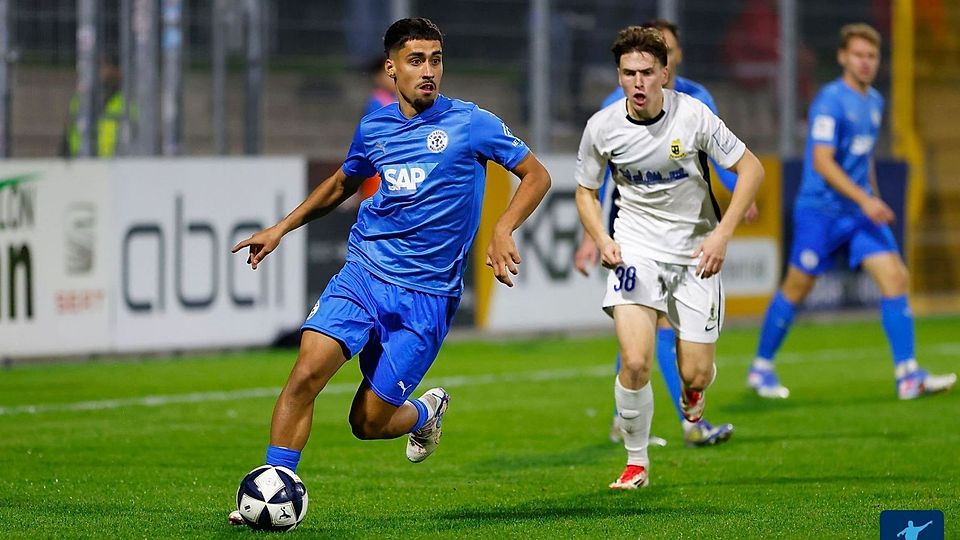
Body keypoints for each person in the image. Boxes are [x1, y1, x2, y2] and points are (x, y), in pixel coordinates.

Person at [228, 16, 551, 519]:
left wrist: (504, 227)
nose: (428, 71)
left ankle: (426, 409)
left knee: (368, 422)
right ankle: (271, 492)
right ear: (391, 68)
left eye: (436, 60)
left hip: (426, 298)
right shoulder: (375, 126)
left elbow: (536, 174)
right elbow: (342, 183)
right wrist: (280, 228)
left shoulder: (471, 123)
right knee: (306, 372)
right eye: (416, 61)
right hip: (365, 273)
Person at [575, 26, 763, 489]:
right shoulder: (602, 127)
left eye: (645, 72)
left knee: (695, 371)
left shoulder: (693, 116)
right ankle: (636, 462)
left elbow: (751, 168)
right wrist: (601, 237)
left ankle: (695, 389)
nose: (637, 82)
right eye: (627, 73)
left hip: (696, 252)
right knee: (634, 360)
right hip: (636, 249)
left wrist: (722, 234)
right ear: (619, 76)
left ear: (664, 73)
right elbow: (584, 188)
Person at [746, 23, 956, 400]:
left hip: (857, 213)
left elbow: (863, 159)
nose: (865, 62)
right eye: (858, 55)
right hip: (820, 212)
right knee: (798, 286)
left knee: (895, 276)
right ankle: (761, 368)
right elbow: (823, 162)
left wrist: (871, 196)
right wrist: (866, 200)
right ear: (843, 57)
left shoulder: (874, 102)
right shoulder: (830, 101)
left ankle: (908, 376)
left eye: (872, 56)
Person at [61, 54, 126, 157]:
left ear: (117, 70)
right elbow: (69, 131)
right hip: (80, 160)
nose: (101, 71)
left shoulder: (124, 100)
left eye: (105, 66)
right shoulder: (82, 97)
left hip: (112, 164)